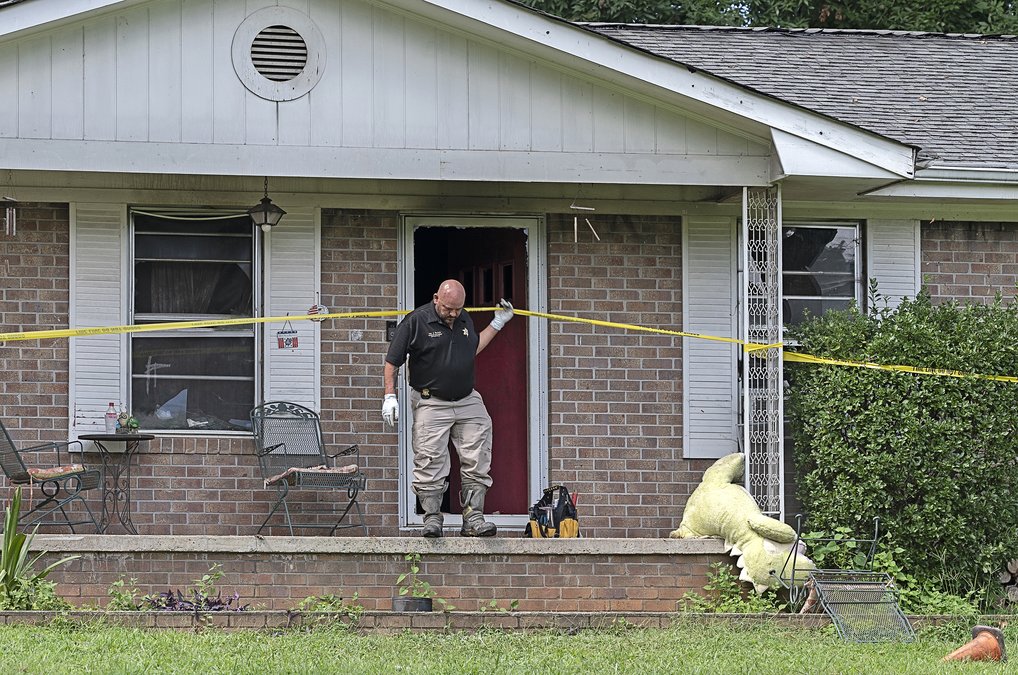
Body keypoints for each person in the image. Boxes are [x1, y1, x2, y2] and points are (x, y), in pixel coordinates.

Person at [382, 279, 514, 538]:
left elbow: (471, 349)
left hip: (466, 399)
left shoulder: (464, 319)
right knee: (429, 459)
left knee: (478, 457)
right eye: (448, 309)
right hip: (431, 401)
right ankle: (432, 519)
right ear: (436, 299)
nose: (454, 314)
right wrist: (389, 395)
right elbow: (391, 362)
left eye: (458, 309)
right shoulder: (415, 322)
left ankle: (473, 518)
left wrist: (498, 323)